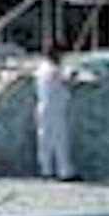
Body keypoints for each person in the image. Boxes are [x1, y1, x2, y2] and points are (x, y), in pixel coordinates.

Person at [35, 44, 75, 180]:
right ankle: (64, 172)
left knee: (45, 140)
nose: (62, 57)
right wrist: (72, 76)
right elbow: (66, 81)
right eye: (61, 54)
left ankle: (46, 171)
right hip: (54, 109)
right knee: (60, 140)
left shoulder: (42, 68)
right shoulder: (52, 70)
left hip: (44, 107)